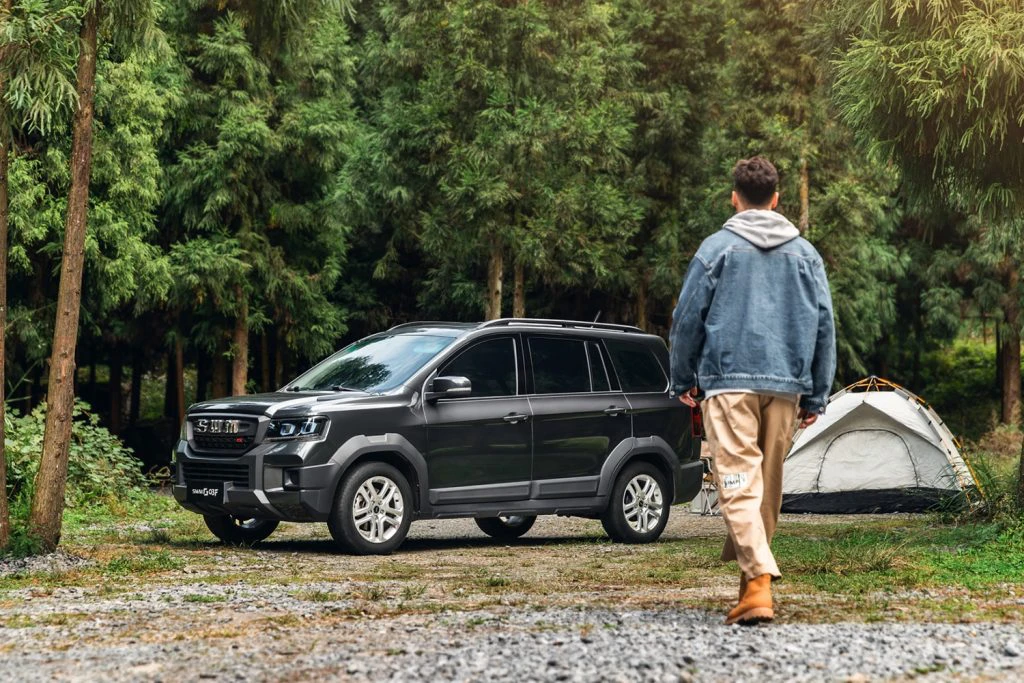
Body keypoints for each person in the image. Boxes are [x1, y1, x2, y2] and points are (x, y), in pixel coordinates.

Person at [669, 156, 836, 625]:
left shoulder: (716, 249)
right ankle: (750, 591)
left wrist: (682, 377)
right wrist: (817, 393)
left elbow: (687, 317)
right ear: (776, 199)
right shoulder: (805, 254)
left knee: (737, 481)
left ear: (734, 198)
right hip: (786, 387)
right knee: (765, 489)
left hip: (728, 383)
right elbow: (825, 325)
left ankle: (759, 583)